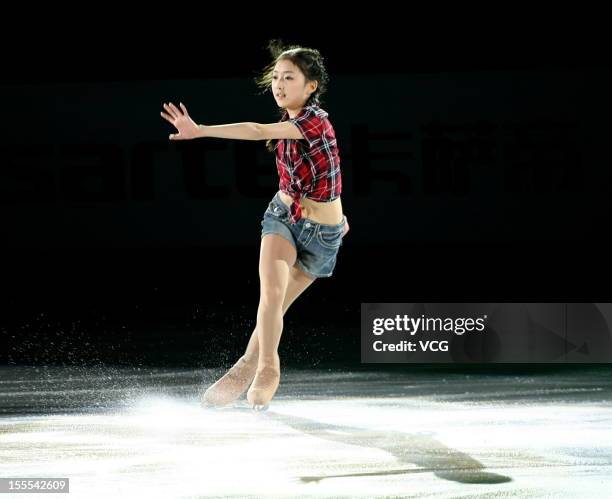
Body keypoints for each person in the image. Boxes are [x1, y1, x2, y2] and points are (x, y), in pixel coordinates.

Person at [160, 40, 349, 410]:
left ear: (310, 85)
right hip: (283, 217)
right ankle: (267, 367)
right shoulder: (287, 121)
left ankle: (246, 364)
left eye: (288, 78)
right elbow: (314, 172)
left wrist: (201, 130)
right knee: (271, 296)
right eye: (276, 77)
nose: (279, 84)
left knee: (277, 308)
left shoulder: (315, 120)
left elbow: (256, 131)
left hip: (323, 236)